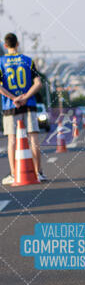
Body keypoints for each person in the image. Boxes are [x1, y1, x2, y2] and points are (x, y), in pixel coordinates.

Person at [0, 33, 47, 184]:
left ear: (5, 45)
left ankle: (14, 174)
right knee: (33, 137)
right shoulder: (28, 60)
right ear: (18, 43)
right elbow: (38, 83)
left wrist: (14, 98)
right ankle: (38, 172)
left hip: (10, 105)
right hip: (29, 104)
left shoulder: (1, 62)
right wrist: (25, 97)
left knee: (12, 139)